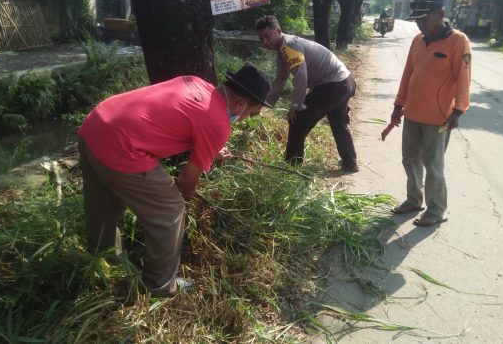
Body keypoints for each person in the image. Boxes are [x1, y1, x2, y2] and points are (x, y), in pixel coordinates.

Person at [77, 64, 272, 297]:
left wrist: (211, 150)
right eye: (252, 113)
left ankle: (102, 262)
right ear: (240, 104)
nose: (246, 118)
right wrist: (184, 198)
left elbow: (180, 118)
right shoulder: (218, 123)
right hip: (122, 146)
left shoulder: (195, 82)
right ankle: (159, 286)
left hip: (96, 124)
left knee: (104, 204)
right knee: (171, 210)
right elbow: (186, 179)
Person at [390, 0, 472, 227]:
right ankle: (414, 200)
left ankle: (436, 209)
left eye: (425, 19)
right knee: (409, 159)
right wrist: (398, 105)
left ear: (441, 14)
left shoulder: (458, 41)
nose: (420, 25)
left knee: (433, 164)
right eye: (417, 20)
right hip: (412, 113)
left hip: (438, 117)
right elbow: (408, 74)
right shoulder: (418, 40)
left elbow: (463, 77)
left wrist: (458, 111)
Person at [255, 15, 359, 172]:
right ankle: (350, 163)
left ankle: (291, 168)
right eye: (261, 38)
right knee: (338, 121)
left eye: (267, 36)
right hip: (344, 81)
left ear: (278, 31)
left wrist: (295, 106)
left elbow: (301, 76)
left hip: (334, 84)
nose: (265, 42)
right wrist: (263, 105)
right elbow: (280, 81)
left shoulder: (289, 46)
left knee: (298, 119)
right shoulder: (282, 52)